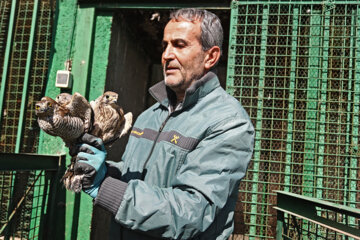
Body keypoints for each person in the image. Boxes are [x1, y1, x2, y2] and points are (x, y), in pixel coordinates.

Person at [74, 8, 254, 240]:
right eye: (165, 45)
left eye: (179, 45)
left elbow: (191, 213)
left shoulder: (229, 123)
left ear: (211, 56)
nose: (167, 55)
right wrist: (102, 170)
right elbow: (137, 179)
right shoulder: (150, 115)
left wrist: (105, 188)